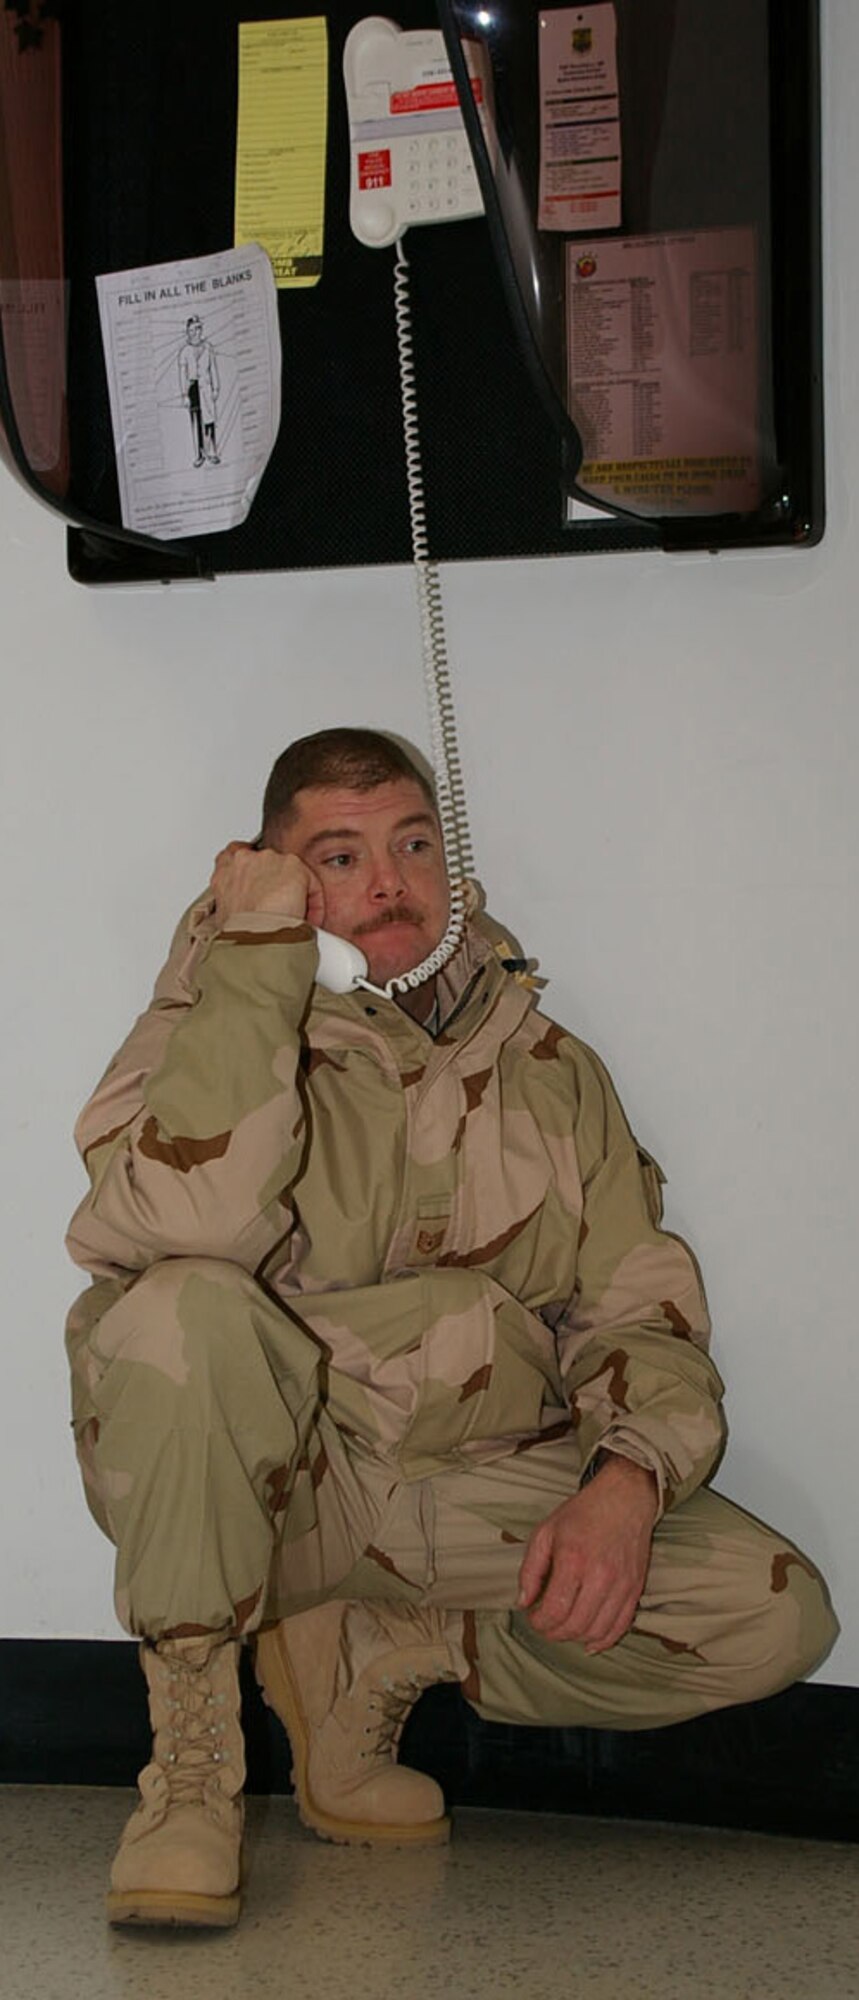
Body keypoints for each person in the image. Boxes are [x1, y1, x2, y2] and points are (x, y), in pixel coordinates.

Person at [65, 727, 837, 1930]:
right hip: (281, 1488)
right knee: (182, 1306)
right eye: (340, 853)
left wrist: (627, 1477)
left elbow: (638, 1305)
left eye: (413, 843)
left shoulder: (551, 1065)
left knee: (771, 1607)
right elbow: (183, 1219)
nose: (390, 881)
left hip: (468, 1485)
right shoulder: (212, 1016)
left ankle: (385, 1651)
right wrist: (255, 951)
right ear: (272, 872)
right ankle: (194, 1766)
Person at [178, 315, 220, 467]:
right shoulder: (184, 351)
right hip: (193, 388)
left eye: (196, 329)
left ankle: (212, 452)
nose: (194, 332)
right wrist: (184, 394)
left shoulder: (208, 347)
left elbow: (213, 369)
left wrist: (216, 388)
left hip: (206, 386)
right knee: (196, 422)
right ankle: (199, 455)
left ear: (200, 329)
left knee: (210, 421)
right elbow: (183, 374)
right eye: (191, 330)